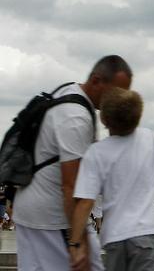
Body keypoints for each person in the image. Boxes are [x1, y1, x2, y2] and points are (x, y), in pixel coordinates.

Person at [14, 55, 132, 271]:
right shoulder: (76, 118)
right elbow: (71, 186)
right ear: (96, 81)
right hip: (51, 219)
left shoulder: (69, 91)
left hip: (34, 212)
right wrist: (78, 242)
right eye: (116, 92)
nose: (120, 100)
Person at [69, 88, 154, 271]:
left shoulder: (96, 152)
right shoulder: (149, 139)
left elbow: (85, 202)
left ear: (104, 119)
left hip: (115, 237)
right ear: (138, 116)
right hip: (147, 234)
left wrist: (75, 244)